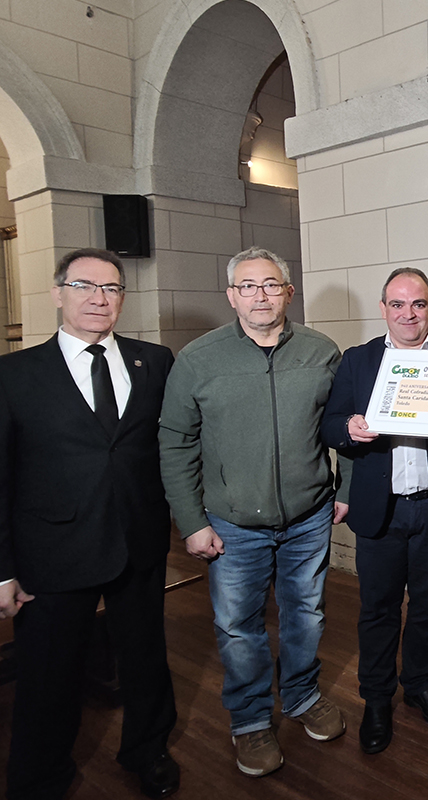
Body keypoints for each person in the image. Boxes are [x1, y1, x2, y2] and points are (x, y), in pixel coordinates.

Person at [159, 246, 345, 778]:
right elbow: (175, 444)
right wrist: (192, 522)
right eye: (247, 286)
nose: (259, 295)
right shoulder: (198, 359)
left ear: (289, 291)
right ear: (231, 296)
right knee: (239, 627)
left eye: (270, 284)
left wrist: (344, 487)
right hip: (233, 523)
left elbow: (347, 425)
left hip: (309, 517)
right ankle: (249, 721)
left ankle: (304, 697)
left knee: (306, 615)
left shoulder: (322, 351)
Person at [0, 249, 179, 800]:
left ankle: (147, 751)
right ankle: (38, 777)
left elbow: (167, 448)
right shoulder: (14, 373)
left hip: (138, 541)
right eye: (84, 286)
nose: (100, 298)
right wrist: (3, 571)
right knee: (48, 675)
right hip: (52, 550)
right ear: (58, 293)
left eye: (112, 288)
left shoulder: (156, 361)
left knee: (146, 659)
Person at [320, 267, 428, 754]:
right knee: (378, 610)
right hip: (379, 511)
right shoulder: (358, 361)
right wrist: (350, 426)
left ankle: (420, 686)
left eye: (418, 304)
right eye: (397, 304)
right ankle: (376, 699)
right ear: (383, 308)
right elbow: (329, 426)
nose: (407, 314)